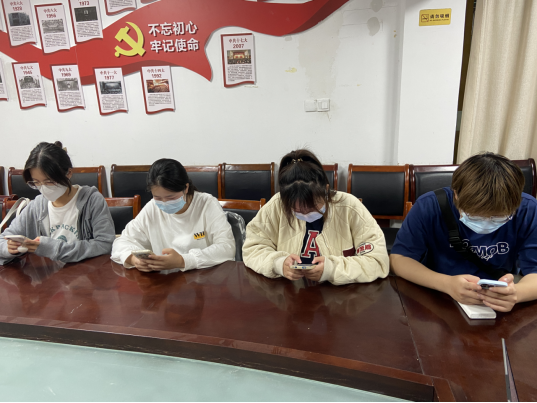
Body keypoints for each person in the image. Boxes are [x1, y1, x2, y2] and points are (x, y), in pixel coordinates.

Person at [391, 152, 537, 312]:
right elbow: (400, 259)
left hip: (497, 297)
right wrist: (446, 284)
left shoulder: (528, 209)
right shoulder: (429, 206)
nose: (486, 224)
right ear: (456, 194)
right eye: (475, 216)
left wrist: (516, 294)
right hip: (437, 294)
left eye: (498, 218)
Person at [243, 149, 389, 285]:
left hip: (339, 295)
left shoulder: (349, 207)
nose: (305, 213)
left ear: (326, 190)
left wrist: (332, 269)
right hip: (290, 291)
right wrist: (278, 263)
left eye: (312, 206)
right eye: (297, 209)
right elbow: (252, 249)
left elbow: (377, 261)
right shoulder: (277, 205)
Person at [0, 141, 115, 265]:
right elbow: (3, 239)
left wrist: (54, 248)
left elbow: (105, 244)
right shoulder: (37, 206)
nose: (43, 188)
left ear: (68, 173)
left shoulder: (92, 201)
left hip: (86, 272)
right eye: (36, 182)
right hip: (50, 275)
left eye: (49, 182)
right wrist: (9, 248)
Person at [111, 159, 235, 272]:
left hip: (203, 279)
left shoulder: (206, 204)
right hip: (166, 281)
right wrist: (133, 259)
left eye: (171, 197)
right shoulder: (152, 208)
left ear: (186, 188)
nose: (164, 203)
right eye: (158, 198)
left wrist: (183, 261)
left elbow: (227, 248)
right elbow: (122, 241)